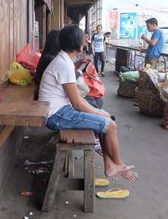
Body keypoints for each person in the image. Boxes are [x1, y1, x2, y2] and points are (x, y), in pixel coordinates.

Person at [38, 25, 138, 180]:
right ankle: (118, 165)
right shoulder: (63, 64)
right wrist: (100, 112)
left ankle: (110, 165)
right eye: (83, 41)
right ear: (78, 45)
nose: (85, 43)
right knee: (110, 124)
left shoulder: (63, 60)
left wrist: (99, 112)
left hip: (59, 111)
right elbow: (77, 103)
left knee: (104, 121)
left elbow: (75, 99)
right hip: (57, 115)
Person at [35, 30, 103, 108]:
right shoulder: (51, 59)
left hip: (58, 96)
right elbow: (76, 103)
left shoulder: (53, 57)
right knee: (96, 103)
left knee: (95, 101)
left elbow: (68, 71)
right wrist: (80, 72)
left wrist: (80, 62)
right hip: (55, 101)